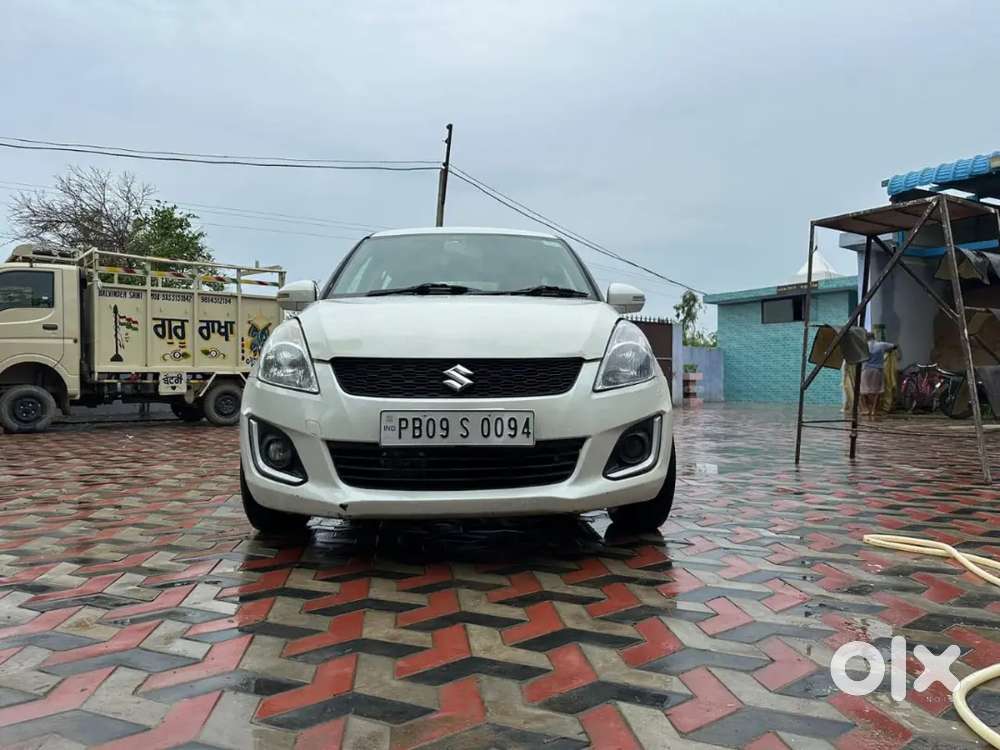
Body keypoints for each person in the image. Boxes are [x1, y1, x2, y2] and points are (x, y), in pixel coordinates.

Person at [860, 331, 897, 418]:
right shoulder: (881, 345)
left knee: (864, 391)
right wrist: (887, 351)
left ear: (866, 338)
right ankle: (874, 410)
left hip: (865, 370)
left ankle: (867, 409)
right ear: (874, 337)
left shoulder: (863, 346)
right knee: (877, 392)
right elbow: (895, 346)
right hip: (877, 371)